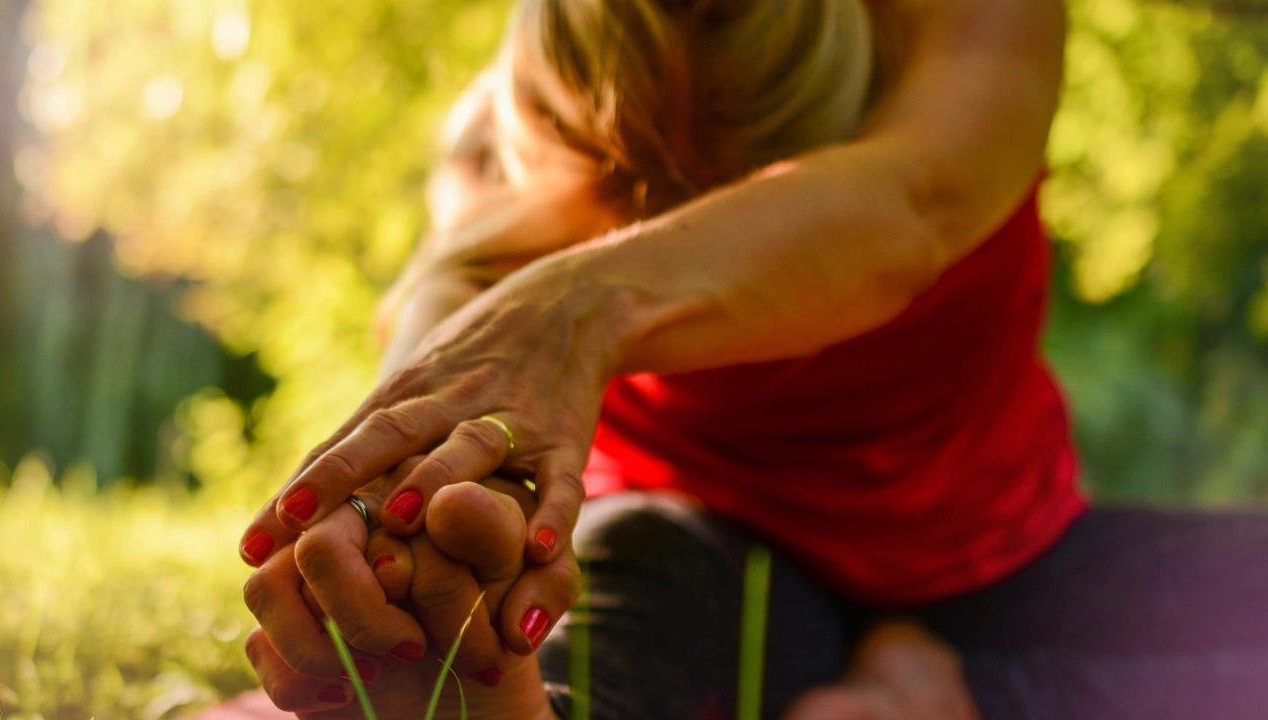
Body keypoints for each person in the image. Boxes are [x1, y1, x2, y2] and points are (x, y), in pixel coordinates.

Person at [231, 0, 1268, 717]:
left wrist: (572, 303)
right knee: (629, 606)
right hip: (697, 540)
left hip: (1003, 555)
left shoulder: (971, 28)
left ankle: (952, 692)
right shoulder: (507, 132)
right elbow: (441, 323)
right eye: (642, 196)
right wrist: (394, 517)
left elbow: (909, 206)